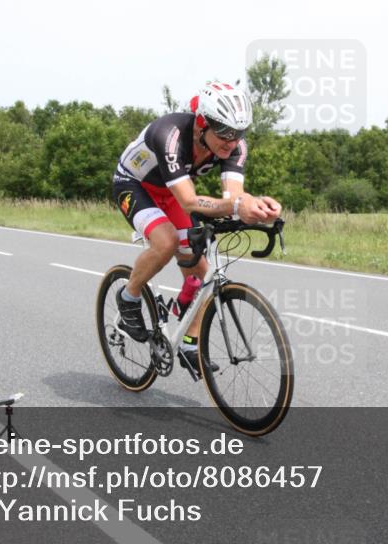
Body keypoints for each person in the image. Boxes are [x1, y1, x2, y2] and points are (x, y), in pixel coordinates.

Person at [112, 82, 282, 376]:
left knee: (204, 275)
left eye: (238, 134)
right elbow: (190, 201)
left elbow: (233, 196)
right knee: (165, 243)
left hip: (171, 193)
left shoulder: (234, 145)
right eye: (225, 134)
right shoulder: (169, 134)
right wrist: (236, 205)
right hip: (135, 185)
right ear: (202, 123)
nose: (232, 142)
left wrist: (255, 209)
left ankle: (190, 343)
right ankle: (129, 297)